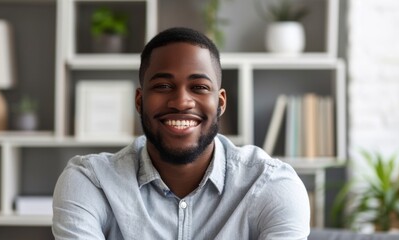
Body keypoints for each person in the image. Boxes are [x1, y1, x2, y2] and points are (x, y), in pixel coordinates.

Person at [52, 27, 310, 239]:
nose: (181, 101)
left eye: (199, 87)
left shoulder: (272, 185)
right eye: (163, 86)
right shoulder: (90, 182)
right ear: (140, 101)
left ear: (220, 103)